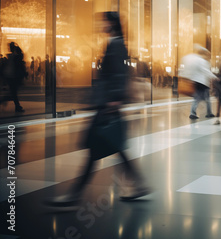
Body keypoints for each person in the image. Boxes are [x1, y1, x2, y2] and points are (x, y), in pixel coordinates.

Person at [45, 12, 150, 207]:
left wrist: (114, 100)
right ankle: (139, 185)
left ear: (111, 24)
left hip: (108, 105)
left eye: (104, 22)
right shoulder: (115, 42)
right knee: (113, 147)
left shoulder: (116, 44)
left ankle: (74, 195)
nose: (101, 25)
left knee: (98, 149)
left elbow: (119, 73)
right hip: (108, 104)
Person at [180, 45, 216, 120]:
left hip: (196, 81)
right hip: (203, 82)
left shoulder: (194, 59)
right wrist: (214, 77)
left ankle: (194, 113)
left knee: (197, 98)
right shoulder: (201, 61)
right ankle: (207, 113)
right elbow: (205, 71)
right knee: (206, 98)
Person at [2, 42, 28, 113]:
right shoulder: (16, 57)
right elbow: (21, 55)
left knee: (13, 92)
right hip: (13, 77)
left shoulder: (10, 57)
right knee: (13, 93)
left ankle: (17, 106)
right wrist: (18, 46)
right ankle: (16, 106)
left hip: (10, 76)